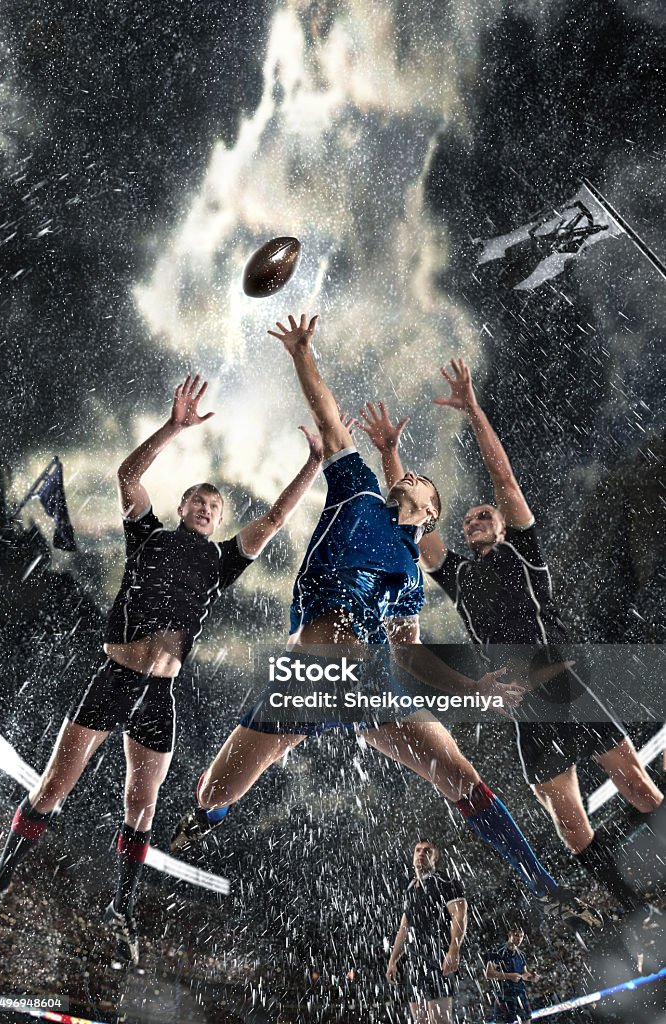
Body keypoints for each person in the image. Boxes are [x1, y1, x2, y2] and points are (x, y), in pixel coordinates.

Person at [171, 314, 598, 929]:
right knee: (217, 792)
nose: (412, 477)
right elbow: (329, 419)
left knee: (457, 772)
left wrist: (472, 691)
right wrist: (301, 353)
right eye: (409, 475)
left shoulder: (410, 575)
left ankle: (541, 882)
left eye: (422, 484)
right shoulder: (360, 491)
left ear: (428, 513)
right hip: (310, 670)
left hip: (372, 679)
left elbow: (410, 656)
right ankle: (200, 819)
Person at [0, 373, 324, 964]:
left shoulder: (222, 563)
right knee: (53, 789)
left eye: (214, 507)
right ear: (183, 506)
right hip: (112, 680)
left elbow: (270, 522)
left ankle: (122, 908)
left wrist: (314, 463)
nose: (206, 508)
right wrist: (174, 426)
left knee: (141, 807)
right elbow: (127, 477)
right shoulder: (147, 536)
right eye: (198, 500)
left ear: (218, 522)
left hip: (158, 697)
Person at [358, 357, 664, 913]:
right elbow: (413, 519)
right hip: (522, 703)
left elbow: (503, 478)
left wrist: (474, 409)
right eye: (469, 518)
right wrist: (388, 456)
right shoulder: (456, 574)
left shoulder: (523, 547)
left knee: (640, 789)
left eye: (484, 515)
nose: (476, 519)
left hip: (566, 682)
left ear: (503, 523)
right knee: (572, 830)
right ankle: (636, 908)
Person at [387, 839, 467, 1024]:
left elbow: (460, 915)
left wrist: (453, 951)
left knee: (439, 1021)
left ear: (435, 858)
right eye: (418, 850)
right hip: (415, 962)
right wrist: (392, 960)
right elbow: (404, 928)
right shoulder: (410, 888)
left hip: (436, 958)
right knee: (420, 1021)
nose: (421, 853)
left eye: (427, 851)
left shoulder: (445, 881)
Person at [485, 926, 539, 1024]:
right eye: (516, 935)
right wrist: (509, 976)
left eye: (521, 936)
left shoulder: (521, 954)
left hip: (520, 994)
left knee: (527, 1020)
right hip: (504, 995)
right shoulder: (497, 951)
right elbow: (489, 973)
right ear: (509, 935)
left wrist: (531, 977)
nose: (519, 939)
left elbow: (524, 973)